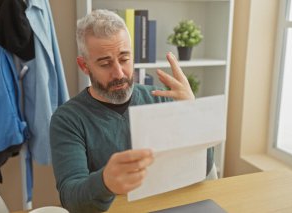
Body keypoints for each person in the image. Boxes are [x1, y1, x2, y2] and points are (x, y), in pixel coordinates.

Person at [50, 9, 216, 213]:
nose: (119, 73)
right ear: (84, 66)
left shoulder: (162, 98)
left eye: (124, 58)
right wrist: (105, 182)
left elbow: (204, 169)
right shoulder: (68, 119)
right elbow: (71, 199)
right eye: (105, 63)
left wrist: (192, 113)